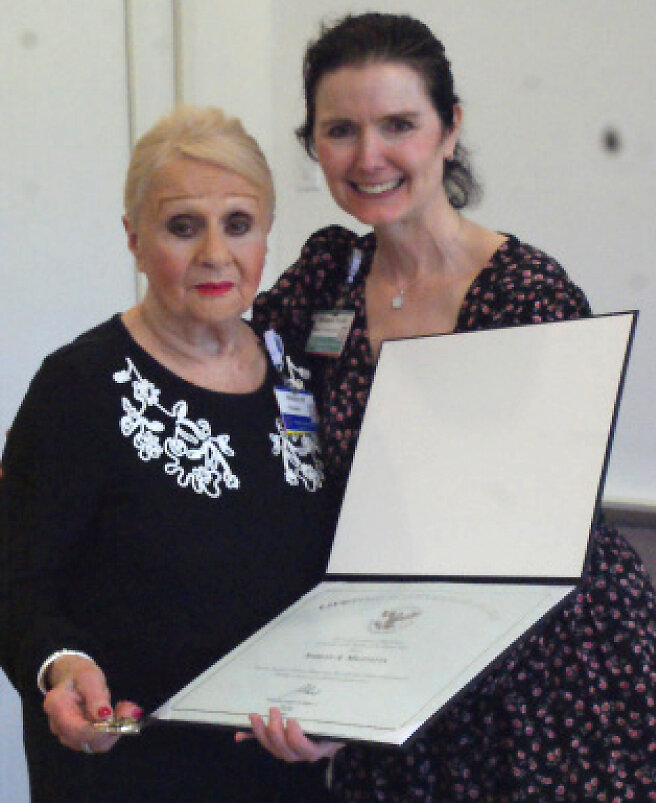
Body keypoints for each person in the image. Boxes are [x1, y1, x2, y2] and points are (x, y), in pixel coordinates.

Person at [249, 13, 656, 802]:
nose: (370, 157)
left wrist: (357, 688)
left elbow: (513, 548)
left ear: (450, 127)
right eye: (341, 130)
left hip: (545, 673)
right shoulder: (326, 273)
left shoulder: (524, 294)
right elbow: (223, 371)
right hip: (393, 653)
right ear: (313, 144)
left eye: (399, 124)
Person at [0, 105, 335, 802]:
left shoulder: (298, 372)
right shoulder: (79, 385)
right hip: (130, 767)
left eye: (238, 224)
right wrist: (59, 665)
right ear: (133, 237)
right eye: (183, 226)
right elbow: (16, 582)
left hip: (281, 767)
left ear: (267, 233)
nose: (215, 253)